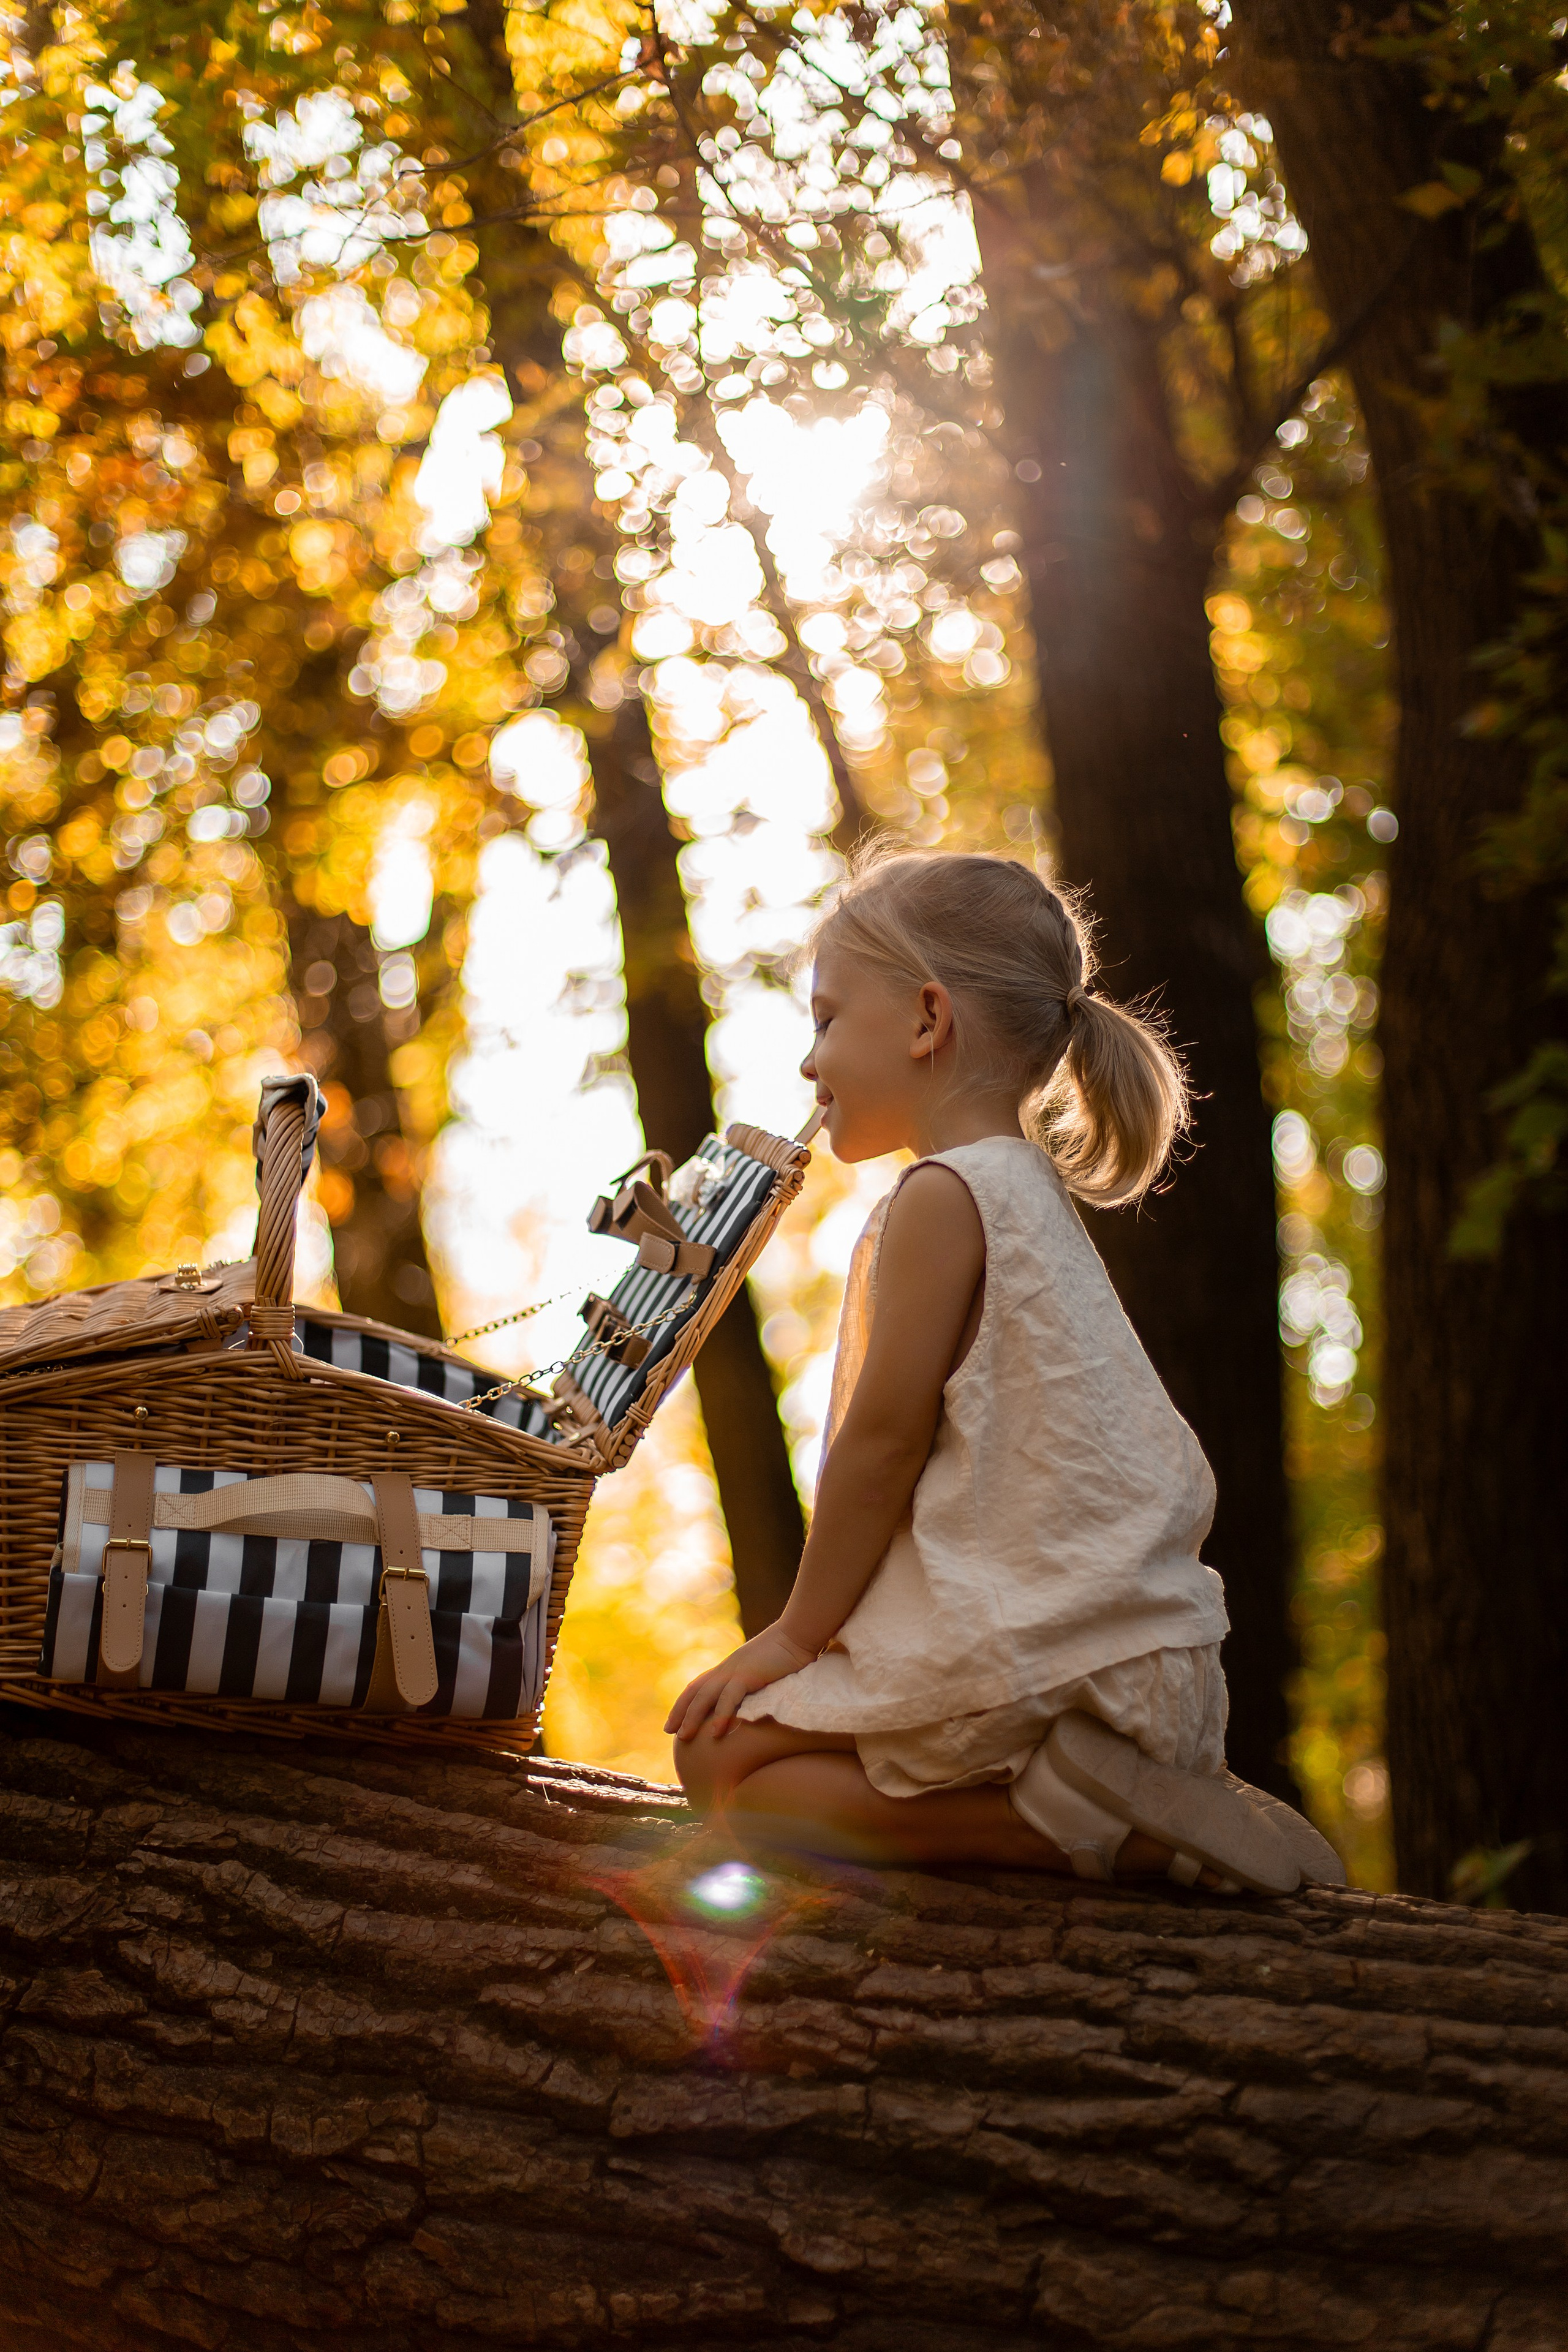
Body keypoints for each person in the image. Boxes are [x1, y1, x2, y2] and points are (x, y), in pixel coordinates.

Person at [667, 848, 1342, 1894]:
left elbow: (881, 1443)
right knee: (743, 1762)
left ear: (928, 1021)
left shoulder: (943, 1199)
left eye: (828, 1020)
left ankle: (1065, 1820)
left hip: (1058, 1665)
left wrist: (794, 1636)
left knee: (719, 1762)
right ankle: (1124, 1790)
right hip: (1138, 1663)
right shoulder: (1023, 1196)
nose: (810, 1064)